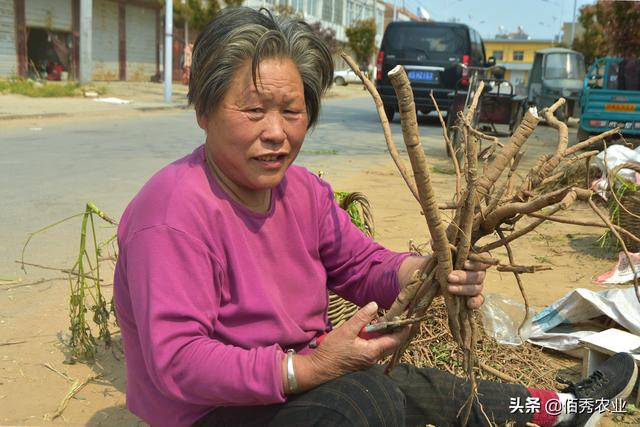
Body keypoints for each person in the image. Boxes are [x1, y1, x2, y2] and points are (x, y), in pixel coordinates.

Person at [113, 8, 638, 427]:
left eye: (292, 112)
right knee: (366, 402)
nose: (276, 132)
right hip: (211, 409)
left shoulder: (304, 193)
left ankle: (555, 410)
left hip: (301, 376)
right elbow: (178, 362)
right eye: (253, 111)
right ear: (204, 111)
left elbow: (363, 265)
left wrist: (429, 271)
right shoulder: (172, 213)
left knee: (424, 387)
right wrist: (308, 367)